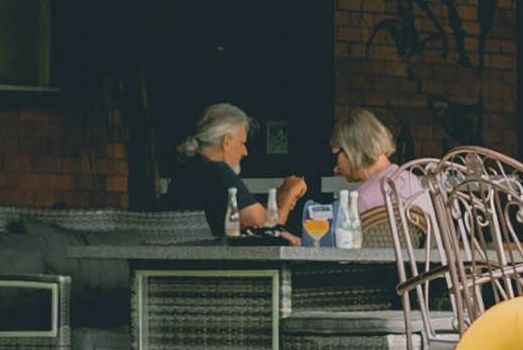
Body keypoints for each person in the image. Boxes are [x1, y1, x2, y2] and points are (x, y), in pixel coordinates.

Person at [162, 102, 301, 242]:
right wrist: (290, 193)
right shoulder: (218, 171)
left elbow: (248, 221)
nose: (245, 152)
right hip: (220, 262)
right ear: (227, 141)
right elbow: (267, 228)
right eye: (242, 143)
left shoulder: (185, 172)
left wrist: (279, 199)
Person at [328, 109, 424, 244]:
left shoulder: (362, 198)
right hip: (425, 265)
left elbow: (342, 251)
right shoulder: (417, 185)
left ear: (351, 150)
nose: (335, 166)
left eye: (335, 154)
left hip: (371, 265)